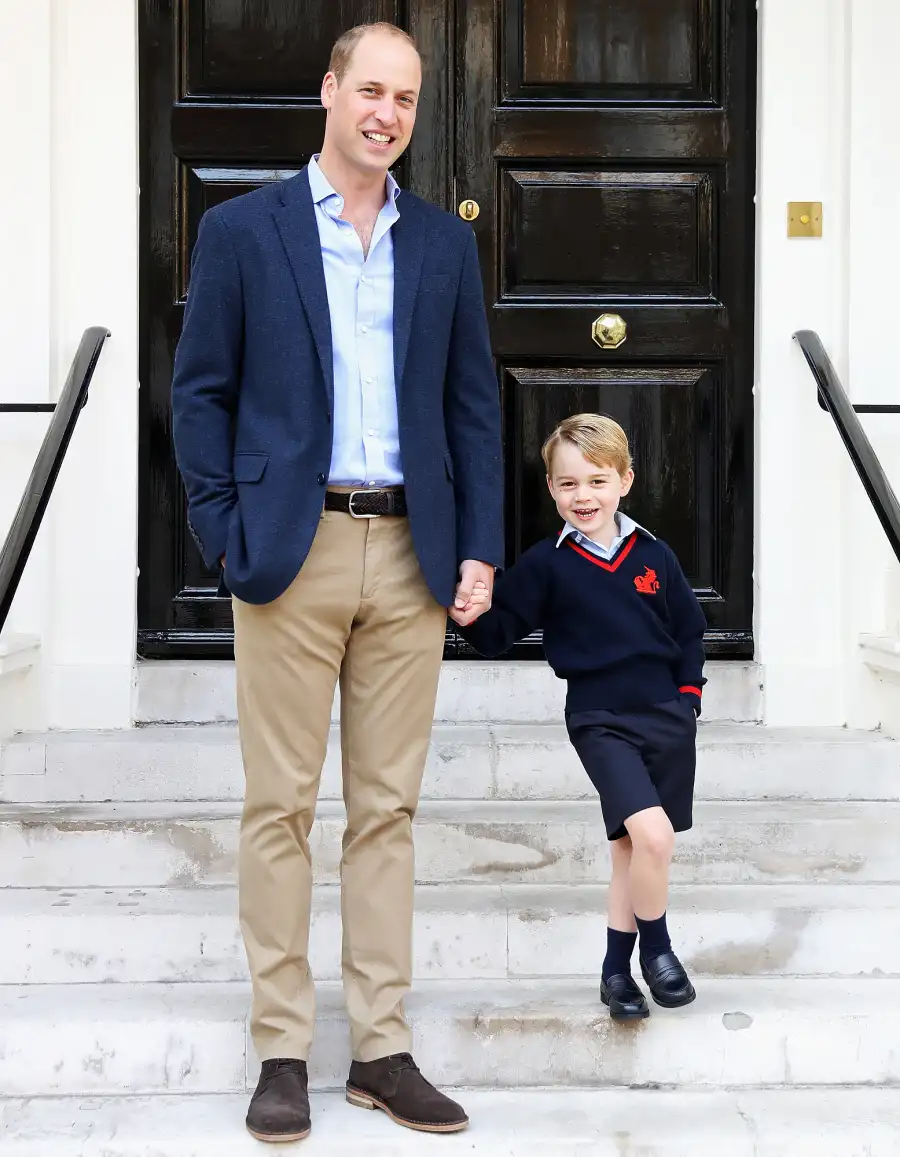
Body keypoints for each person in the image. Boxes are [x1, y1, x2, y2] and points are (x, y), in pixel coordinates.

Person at [171, 21, 502, 1143]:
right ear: (329, 91)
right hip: (290, 547)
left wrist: (480, 545)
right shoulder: (242, 231)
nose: (387, 114)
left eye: (406, 99)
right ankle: (278, 1047)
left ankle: (380, 1046)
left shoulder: (444, 246)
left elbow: (472, 405)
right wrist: (223, 531)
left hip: (412, 552)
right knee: (279, 806)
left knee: (387, 809)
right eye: (371, 89)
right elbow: (199, 391)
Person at [460, 413, 705, 1023]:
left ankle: (614, 973)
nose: (583, 496)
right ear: (550, 488)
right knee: (654, 837)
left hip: (666, 716)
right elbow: (497, 633)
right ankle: (659, 951)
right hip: (599, 719)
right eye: (568, 484)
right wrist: (460, 607)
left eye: (597, 481)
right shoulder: (547, 564)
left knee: (630, 849)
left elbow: (689, 630)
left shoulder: (654, 554)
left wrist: (688, 697)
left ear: (625, 480)